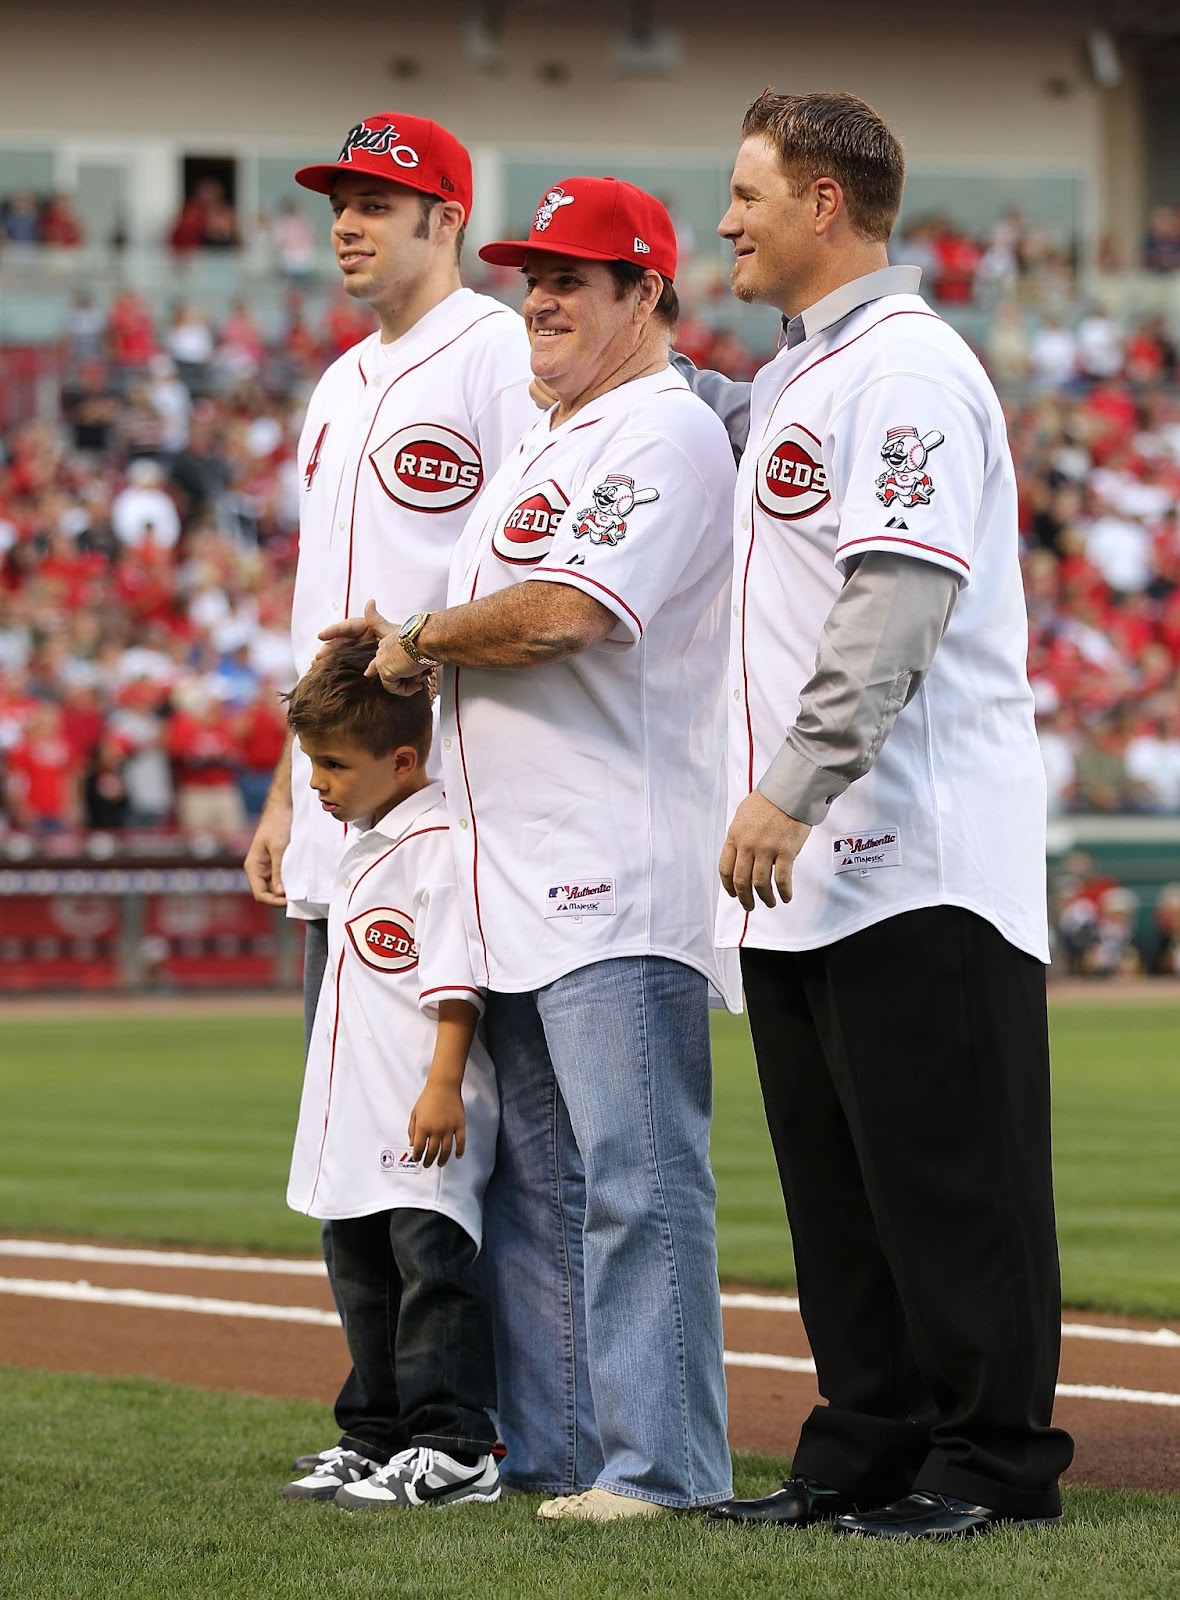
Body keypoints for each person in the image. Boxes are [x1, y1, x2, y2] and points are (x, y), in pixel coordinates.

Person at [323, 174, 739, 1523]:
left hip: (615, 871)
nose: (543, 299)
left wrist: (428, 637)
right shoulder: (549, 438)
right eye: (533, 276)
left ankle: (665, 1466)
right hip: (516, 885)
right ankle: (566, 1452)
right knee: (546, 1189)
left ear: (649, 297)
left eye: (576, 277)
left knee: (636, 1185)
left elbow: (566, 613)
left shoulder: (664, 434)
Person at [703, 90, 1074, 1541]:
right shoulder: (805, 374)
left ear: (825, 207)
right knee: (842, 1197)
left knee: (949, 1180)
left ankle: (990, 1462)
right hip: (809, 872)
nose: (724, 219)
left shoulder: (909, 370)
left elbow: (894, 606)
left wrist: (791, 786)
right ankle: (865, 1443)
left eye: (745, 193)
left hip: (912, 848)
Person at [241, 111, 533, 1470]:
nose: (350, 220)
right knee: (350, 1151)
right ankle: (380, 1420)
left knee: (448, 1159)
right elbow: (311, 610)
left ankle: (464, 1427)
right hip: (339, 810)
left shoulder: (491, 356)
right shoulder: (339, 381)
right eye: (342, 199)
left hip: (443, 804)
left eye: (382, 198)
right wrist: (285, 788)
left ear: (447, 218)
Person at [281, 638, 501, 1509]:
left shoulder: (436, 840)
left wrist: (443, 1083)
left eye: (334, 764)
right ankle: (375, 1433)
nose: (318, 784)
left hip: (420, 1108)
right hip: (360, 1114)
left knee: (429, 1276)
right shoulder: (369, 837)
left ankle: (454, 1445)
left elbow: (455, 981)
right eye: (311, 764)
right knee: (362, 1273)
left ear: (404, 758)